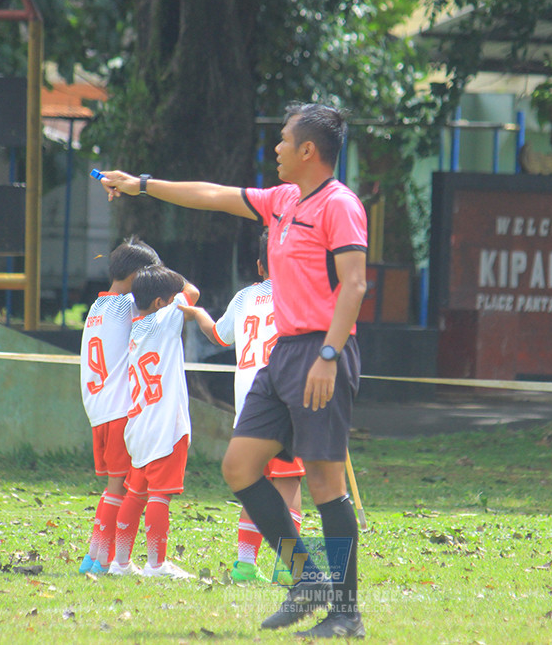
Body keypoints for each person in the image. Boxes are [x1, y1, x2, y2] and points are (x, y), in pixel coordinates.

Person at [98, 102, 368, 638]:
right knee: (240, 466)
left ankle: (346, 613)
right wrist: (141, 185)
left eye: (284, 140)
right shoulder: (283, 200)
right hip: (283, 355)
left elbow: (355, 284)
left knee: (324, 483)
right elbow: (212, 195)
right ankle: (307, 578)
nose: (277, 148)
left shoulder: (340, 205)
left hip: (322, 352)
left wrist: (329, 356)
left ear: (308, 149)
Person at [178, 229, 306, 584]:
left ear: (261, 266)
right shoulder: (300, 295)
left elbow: (219, 335)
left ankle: (245, 565)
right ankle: (289, 566)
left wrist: (198, 313)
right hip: (284, 402)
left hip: (248, 404)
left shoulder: (245, 296)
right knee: (289, 483)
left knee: (253, 482)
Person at [108, 264, 199, 579]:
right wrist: (165, 271)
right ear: (161, 302)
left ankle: (120, 562)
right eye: (172, 298)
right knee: (160, 496)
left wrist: (154, 278)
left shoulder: (135, 326)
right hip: (166, 427)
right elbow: (193, 292)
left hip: (139, 425)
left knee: (135, 494)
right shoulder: (165, 319)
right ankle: (157, 564)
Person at [78, 237, 161, 575]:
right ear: (138, 275)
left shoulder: (97, 307)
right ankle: (105, 560)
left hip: (98, 409)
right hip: (119, 411)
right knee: (122, 488)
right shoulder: (129, 305)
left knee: (113, 486)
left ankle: (93, 556)